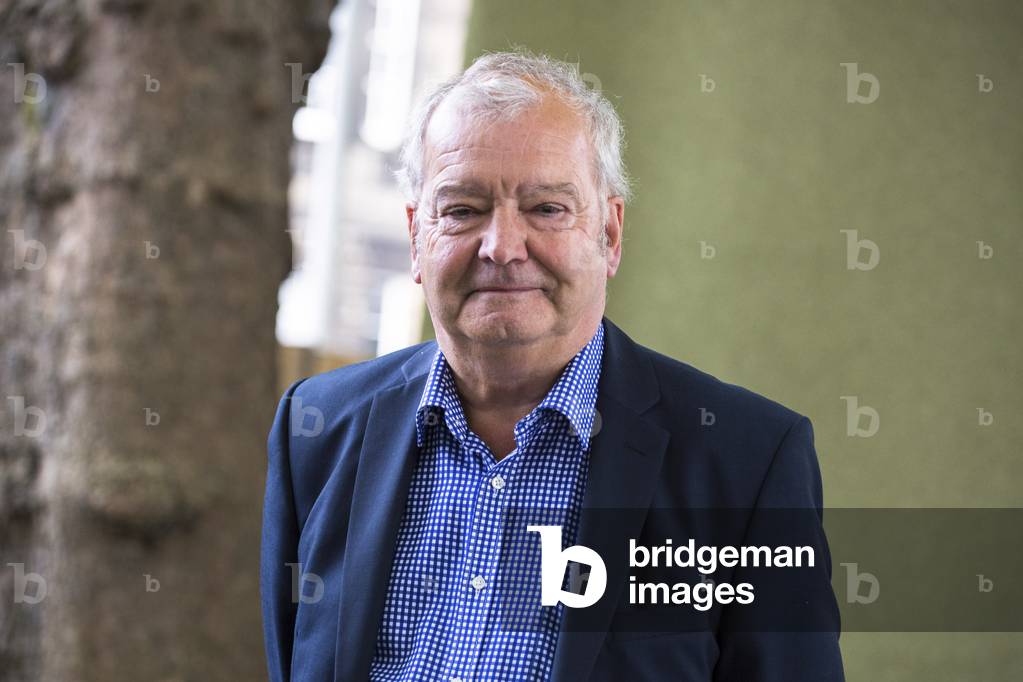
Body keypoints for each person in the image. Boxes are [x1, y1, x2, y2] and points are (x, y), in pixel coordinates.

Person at [261, 50, 845, 682]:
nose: (503, 248)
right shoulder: (316, 427)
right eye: (462, 209)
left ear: (611, 235)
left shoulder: (746, 462)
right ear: (415, 238)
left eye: (546, 209)